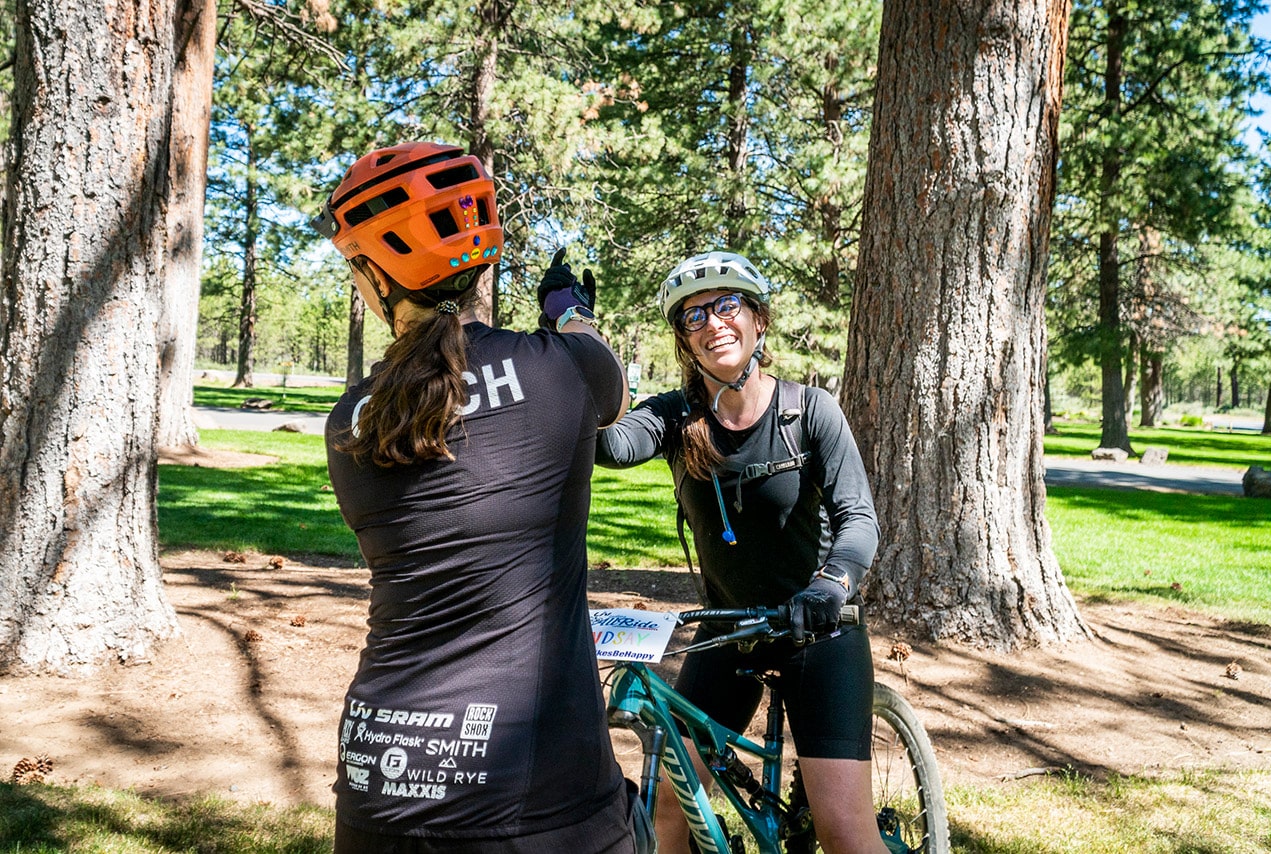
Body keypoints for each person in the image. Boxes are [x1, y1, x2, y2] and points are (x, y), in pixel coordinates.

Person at [312, 141, 636, 853]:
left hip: (380, 777)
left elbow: (449, 408)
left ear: (374, 274)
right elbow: (611, 376)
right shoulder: (563, 369)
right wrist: (566, 312)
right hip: (539, 783)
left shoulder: (350, 421)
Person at [595, 251, 888, 854]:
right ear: (683, 339)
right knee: (669, 806)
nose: (712, 323)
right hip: (731, 632)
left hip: (820, 631)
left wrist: (829, 586)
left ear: (758, 321)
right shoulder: (676, 417)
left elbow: (858, 519)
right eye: (694, 315)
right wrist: (569, 341)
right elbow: (612, 446)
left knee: (844, 834)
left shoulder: (810, 412)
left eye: (727, 306)